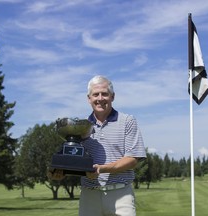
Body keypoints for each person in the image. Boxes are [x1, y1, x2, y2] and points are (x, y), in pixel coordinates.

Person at [49, 75, 146, 216]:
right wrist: (57, 172)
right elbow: (72, 161)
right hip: (89, 196)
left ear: (112, 96)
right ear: (89, 98)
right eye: (95, 94)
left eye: (105, 94)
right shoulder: (80, 128)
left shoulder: (127, 121)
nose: (100, 98)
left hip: (120, 195)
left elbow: (132, 159)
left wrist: (102, 169)